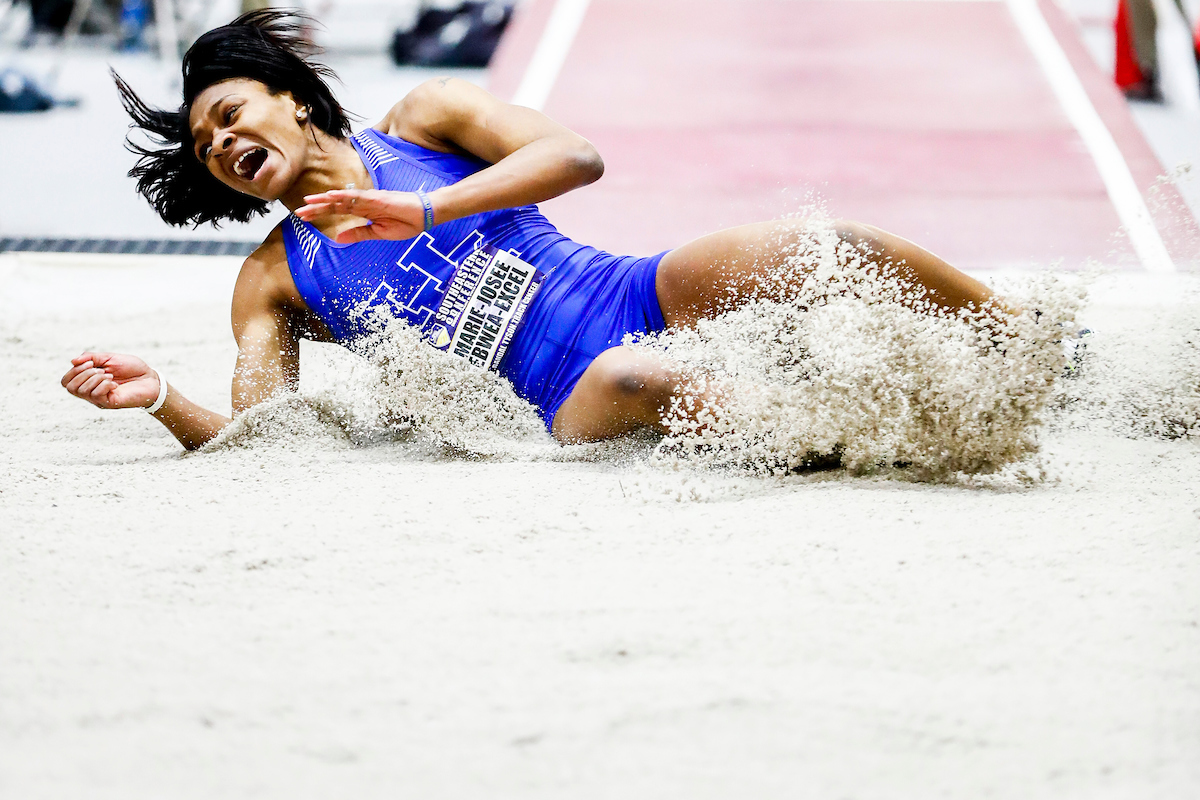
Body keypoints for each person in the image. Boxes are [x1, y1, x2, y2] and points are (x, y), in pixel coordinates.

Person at [62, 10, 1003, 450]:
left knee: (825, 243)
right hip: (561, 400)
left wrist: (425, 208)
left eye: (230, 112)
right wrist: (159, 399)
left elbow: (578, 157)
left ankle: (1028, 341)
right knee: (635, 375)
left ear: (296, 101)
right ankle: (902, 439)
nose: (223, 140)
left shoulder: (426, 120)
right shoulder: (274, 277)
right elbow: (267, 437)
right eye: (206, 143)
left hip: (630, 289)